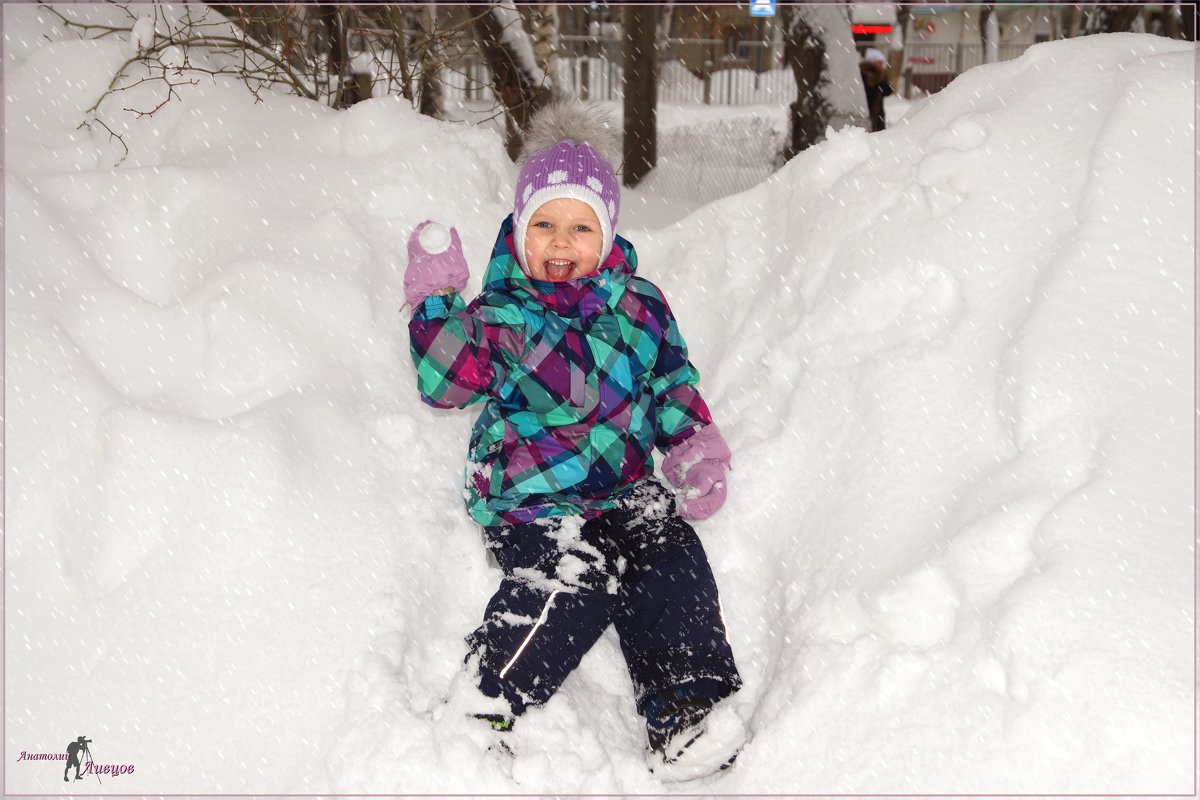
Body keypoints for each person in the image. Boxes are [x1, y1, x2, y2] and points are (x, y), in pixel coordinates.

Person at [404, 102, 742, 776]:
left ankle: (682, 712)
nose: (562, 242)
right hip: (532, 493)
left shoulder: (640, 306)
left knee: (668, 555)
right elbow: (444, 383)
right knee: (572, 582)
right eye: (546, 225)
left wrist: (692, 444)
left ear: (608, 234)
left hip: (621, 486)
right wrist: (435, 301)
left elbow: (670, 380)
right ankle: (484, 698)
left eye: (580, 227)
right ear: (521, 231)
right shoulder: (500, 314)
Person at [860, 47, 894, 132]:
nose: (882, 65)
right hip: (872, 112)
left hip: (875, 112)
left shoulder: (878, 75)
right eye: (880, 62)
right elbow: (887, 90)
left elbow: (888, 91)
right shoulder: (873, 76)